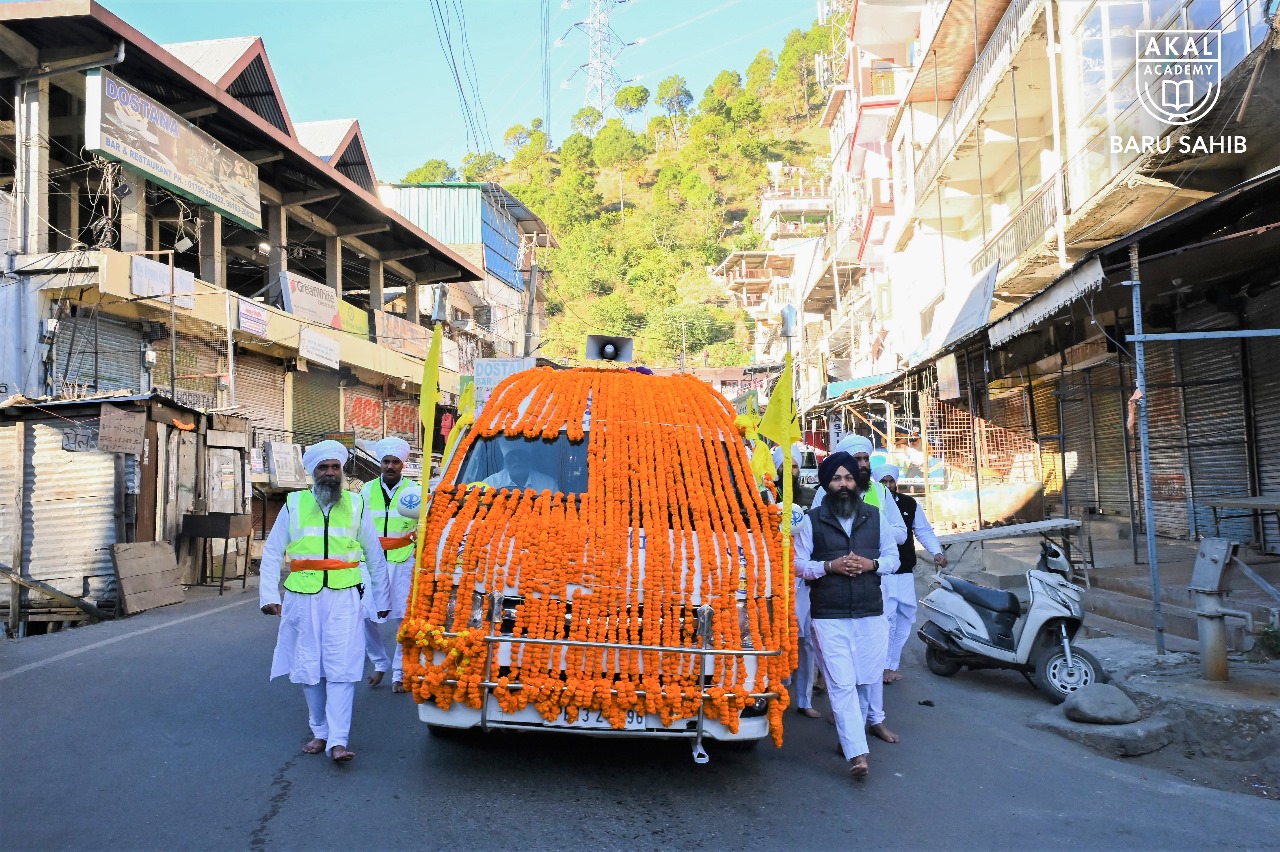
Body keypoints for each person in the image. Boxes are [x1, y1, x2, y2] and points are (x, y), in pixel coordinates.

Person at [260, 440, 391, 763]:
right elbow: (274, 551)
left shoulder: (357, 504)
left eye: (335, 467)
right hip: (302, 597)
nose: (330, 473)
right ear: (313, 473)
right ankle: (319, 731)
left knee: (343, 667)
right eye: (324, 468)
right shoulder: (293, 504)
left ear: (342, 471)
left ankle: (338, 740)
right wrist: (268, 595)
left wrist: (382, 598)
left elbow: (374, 556)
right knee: (310, 667)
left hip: (345, 595)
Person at [793, 451, 900, 778]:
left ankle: (848, 735)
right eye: (837, 478)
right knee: (840, 683)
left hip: (870, 611)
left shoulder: (874, 516)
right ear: (826, 483)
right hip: (828, 614)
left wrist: (871, 564)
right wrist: (829, 566)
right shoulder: (811, 520)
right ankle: (857, 754)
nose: (843, 484)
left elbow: (893, 558)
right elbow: (797, 565)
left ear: (858, 482)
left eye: (849, 478)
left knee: (865, 680)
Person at [873, 464, 947, 684]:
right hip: (881, 574)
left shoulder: (909, 503)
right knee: (887, 619)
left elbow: (923, 530)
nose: (888, 486)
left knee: (905, 616)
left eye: (891, 481)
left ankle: (892, 663)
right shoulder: (871, 504)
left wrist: (937, 552)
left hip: (904, 572)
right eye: (883, 482)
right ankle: (883, 666)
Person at [360, 437, 418, 693]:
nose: (390, 466)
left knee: (404, 619)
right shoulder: (365, 490)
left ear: (403, 465)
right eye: (386, 462)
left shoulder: (415, 491)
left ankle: (400, 671)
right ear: (380, 464)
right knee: (364, 616)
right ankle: (380, 663)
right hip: (370, 563)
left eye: (395, 462)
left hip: (403, 561)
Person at [768, 447, 821, 719]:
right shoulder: (765, 495)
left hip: (805, 580)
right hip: (774, 580)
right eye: (784, 465)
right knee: (774, 639)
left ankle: (804, 699)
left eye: (794, 466)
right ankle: (772, 694)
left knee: (807, 642)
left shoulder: (812, 498)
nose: (789, 471)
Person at [811, 434, 908, 548]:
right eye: (857, 459)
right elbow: (815, 529)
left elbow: (901, 534)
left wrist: (868, 532)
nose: (863, 465)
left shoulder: (881, 490)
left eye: (866, 459)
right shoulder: (826, 490)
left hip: (874, 561)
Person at [483, 441, 559, 491]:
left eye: (522, 457)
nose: (517, 462)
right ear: (505, 461)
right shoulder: (490, 483)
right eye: (512, 458)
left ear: (530, 460)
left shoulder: (548, 484)